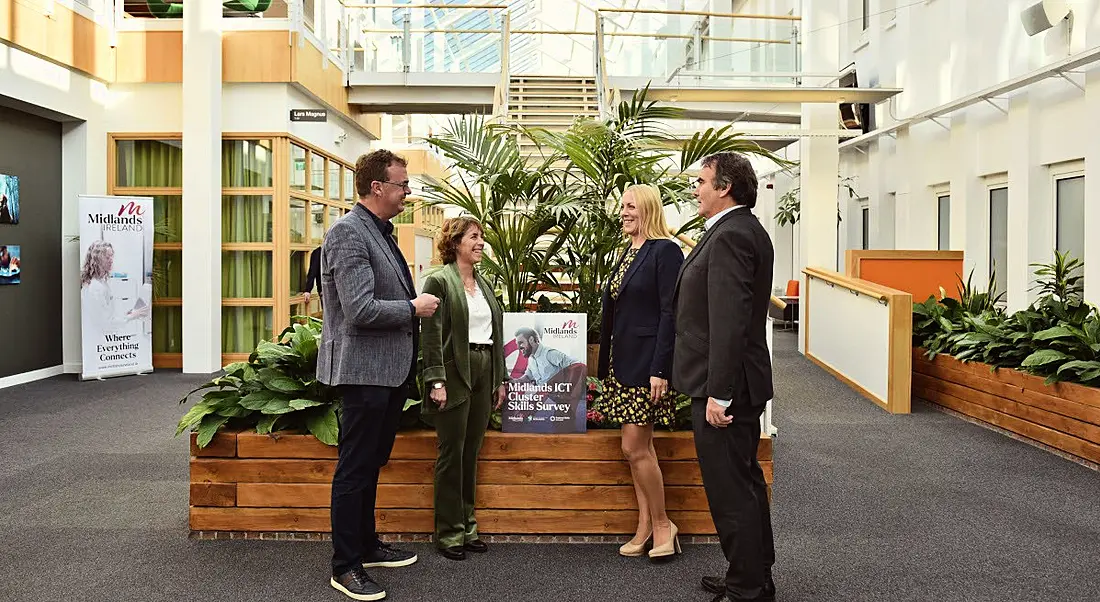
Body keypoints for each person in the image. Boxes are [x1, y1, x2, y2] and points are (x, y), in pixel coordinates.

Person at [317, 149, 440, 602]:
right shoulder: (349, 234)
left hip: (387, 372)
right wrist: (413, 307)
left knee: (371, 463)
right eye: (402, 184)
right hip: (365, 371)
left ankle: (366, 545)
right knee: (354, 468)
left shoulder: (380, 232)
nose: (408, 191)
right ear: (377, 187)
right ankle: (345, 565)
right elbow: (359, 309)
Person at [672, 152, 776, 602]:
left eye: (701, 181)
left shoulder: (733, 235)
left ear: (724, 187)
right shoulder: (738, 230)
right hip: (733, 381)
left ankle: (748, 587)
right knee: (744, 483)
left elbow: (730, 321)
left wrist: (720, 394)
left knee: (732, 489)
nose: (695, 189)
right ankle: (751, 574)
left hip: (726, 388)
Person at [596, 184, 684, 561]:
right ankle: (645, 526)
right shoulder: (625, 253)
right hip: (622, 363)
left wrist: (660, 369)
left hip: (647, 365)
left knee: (634, 447)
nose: (623, 212)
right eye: (622, 207)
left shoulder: (664, 250)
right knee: (639, 450)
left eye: (630, 206)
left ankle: (664, 524)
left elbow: (670, 312)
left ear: (647, 208)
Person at [419, 216, 507, 562]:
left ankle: (468, 526)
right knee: (451, 454)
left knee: (471, 453)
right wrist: (435, 380)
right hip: (455, 372)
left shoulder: (483, 284)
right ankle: (448, 532)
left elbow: (495, 334)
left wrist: (498, 379)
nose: (480, 242)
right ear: (455, 243)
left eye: (481, 237)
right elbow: (430, 336)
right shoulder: (439, 281)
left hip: (484, 370)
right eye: (474, 236)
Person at [79, 240, 149, 341]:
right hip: (98, 341)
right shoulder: (95, 288)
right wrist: (132, 316)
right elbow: (105, 324)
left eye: (112, 256)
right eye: (107, 257)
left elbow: (107, 315)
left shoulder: (102, 283)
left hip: (104, 338)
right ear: (97, 260)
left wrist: (129, 315)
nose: (111, 260)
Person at [513, 327, 578, 385]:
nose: (519, 348)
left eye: (521, 343)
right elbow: (528, 376)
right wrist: (516, 381)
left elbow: (576, 365)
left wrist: (568, 387)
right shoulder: (531, 359)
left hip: (557, 396)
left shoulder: (549, 354)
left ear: (531, 339)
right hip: (543, 395)